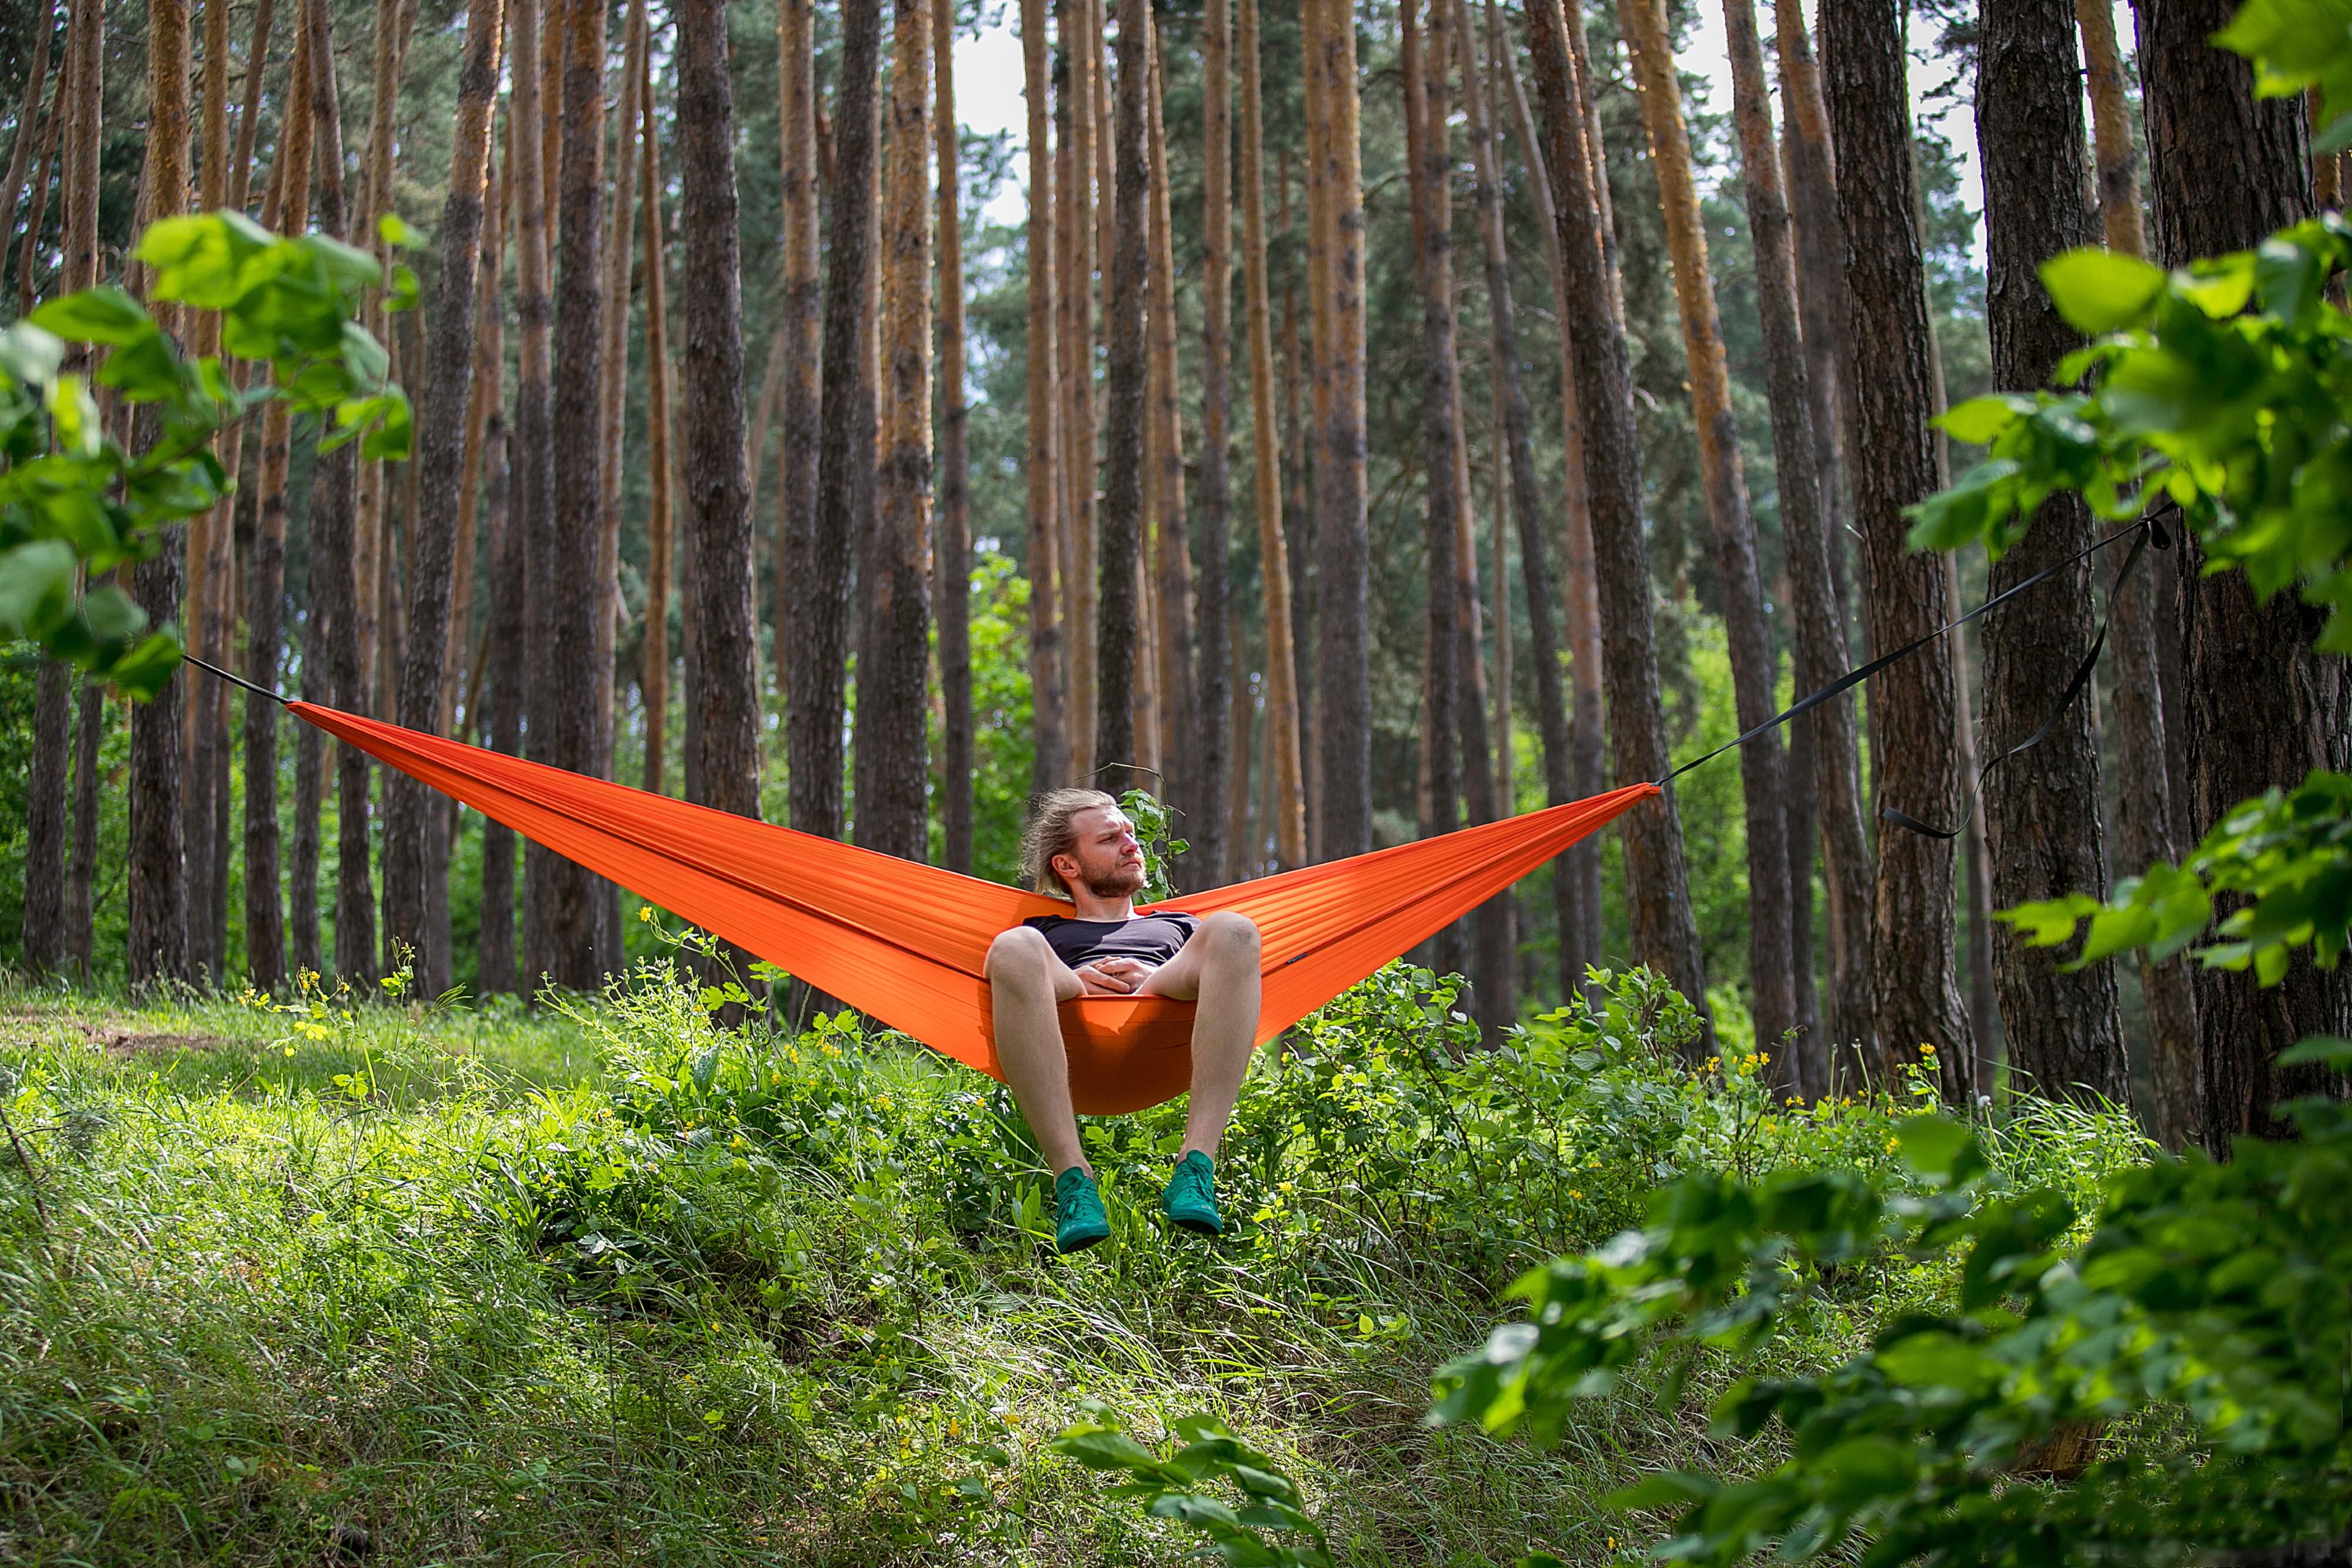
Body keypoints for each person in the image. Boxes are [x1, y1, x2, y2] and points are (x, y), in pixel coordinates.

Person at [984, 788, 1262, 1254]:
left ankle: (1196, 1168)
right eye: (1111, 838)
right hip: (1069, 1022)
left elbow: (1220, 973)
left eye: (1130, 834)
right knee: (1012, 947)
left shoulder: (1181, 928)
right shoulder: (1044, 933)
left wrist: (1151, 980)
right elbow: (1012, 969)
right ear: (1067, 866)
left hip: (1162, 1012)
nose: (1132, 845)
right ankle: (1073, 1181)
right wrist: (1074, 979)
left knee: (1236, 929)